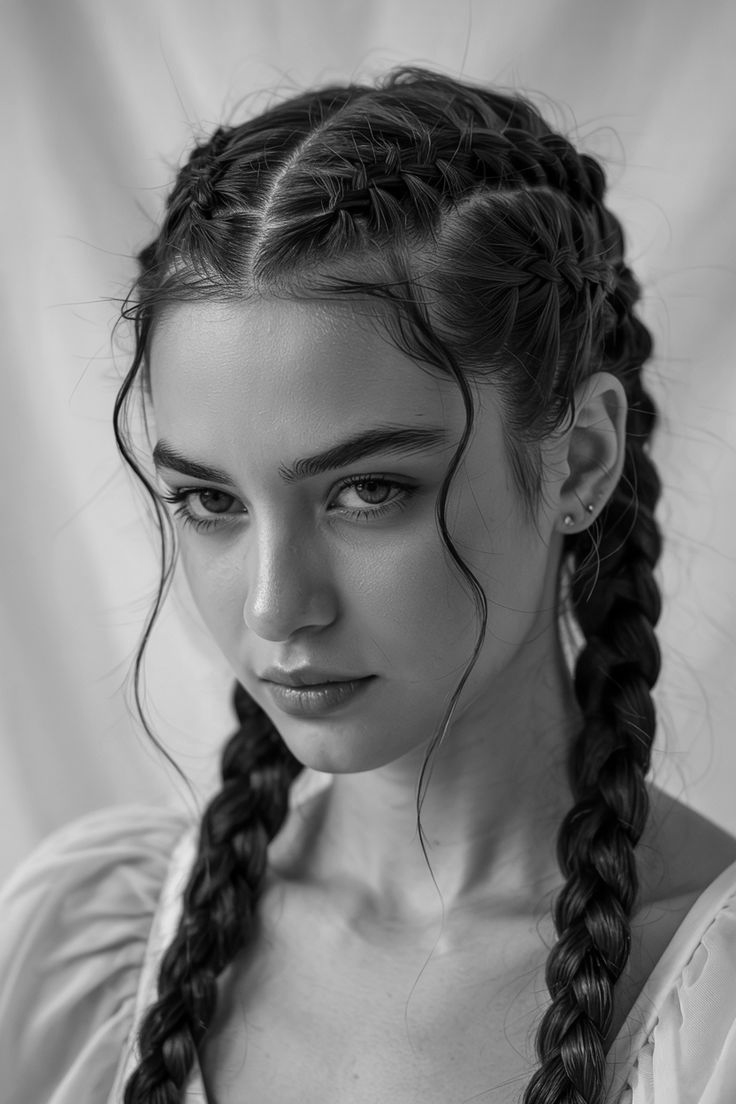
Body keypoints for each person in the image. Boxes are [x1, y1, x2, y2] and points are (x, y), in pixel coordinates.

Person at [2, 66, 736, 1104]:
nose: (272, 607)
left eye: (368, 491)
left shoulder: (713, 1015)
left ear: (578, 458)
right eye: (211, 503)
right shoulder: (74, 959)